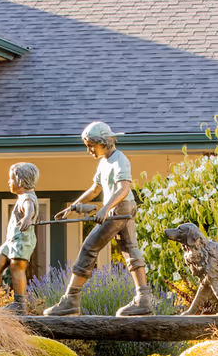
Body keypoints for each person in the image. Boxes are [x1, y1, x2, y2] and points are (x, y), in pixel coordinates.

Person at [44, 121, 156, 316]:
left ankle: (71, 299)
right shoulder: (104, 162)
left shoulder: (120, 160)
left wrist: (106, 209)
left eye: (91, 146)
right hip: (120, 207)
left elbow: (124, 188)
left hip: (120, 208)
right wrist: (73, 206)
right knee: (130, 250)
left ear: (103, 142)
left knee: (89, 247)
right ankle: (143, 299)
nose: (89, 150)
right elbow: (95, 189)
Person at [0, 162, 40, 314]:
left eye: (11, 179)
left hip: (22, 241)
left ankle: (20, 304)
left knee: (17, 268)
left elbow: (29, 208)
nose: (9, 182)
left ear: (20, 181)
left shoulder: (27, 197)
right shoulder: (23, 197)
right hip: (12, 241)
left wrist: (27, 217)